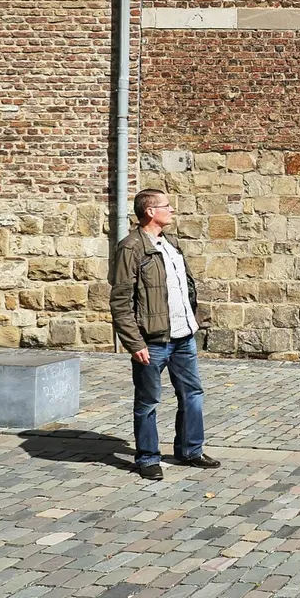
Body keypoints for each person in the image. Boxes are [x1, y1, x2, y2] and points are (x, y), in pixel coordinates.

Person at [109, 188, 220, 481]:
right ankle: (148, 457)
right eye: (166, 206)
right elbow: (120, 301)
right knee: (148, 402)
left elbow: (184, 288)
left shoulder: (171, 244)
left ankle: (190, 450)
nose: (171, 210)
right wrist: (134, 342)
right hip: (152, 341)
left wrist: (193, 320)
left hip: (183, 337)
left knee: (192, 394)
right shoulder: (131, 248)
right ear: (150, 211)